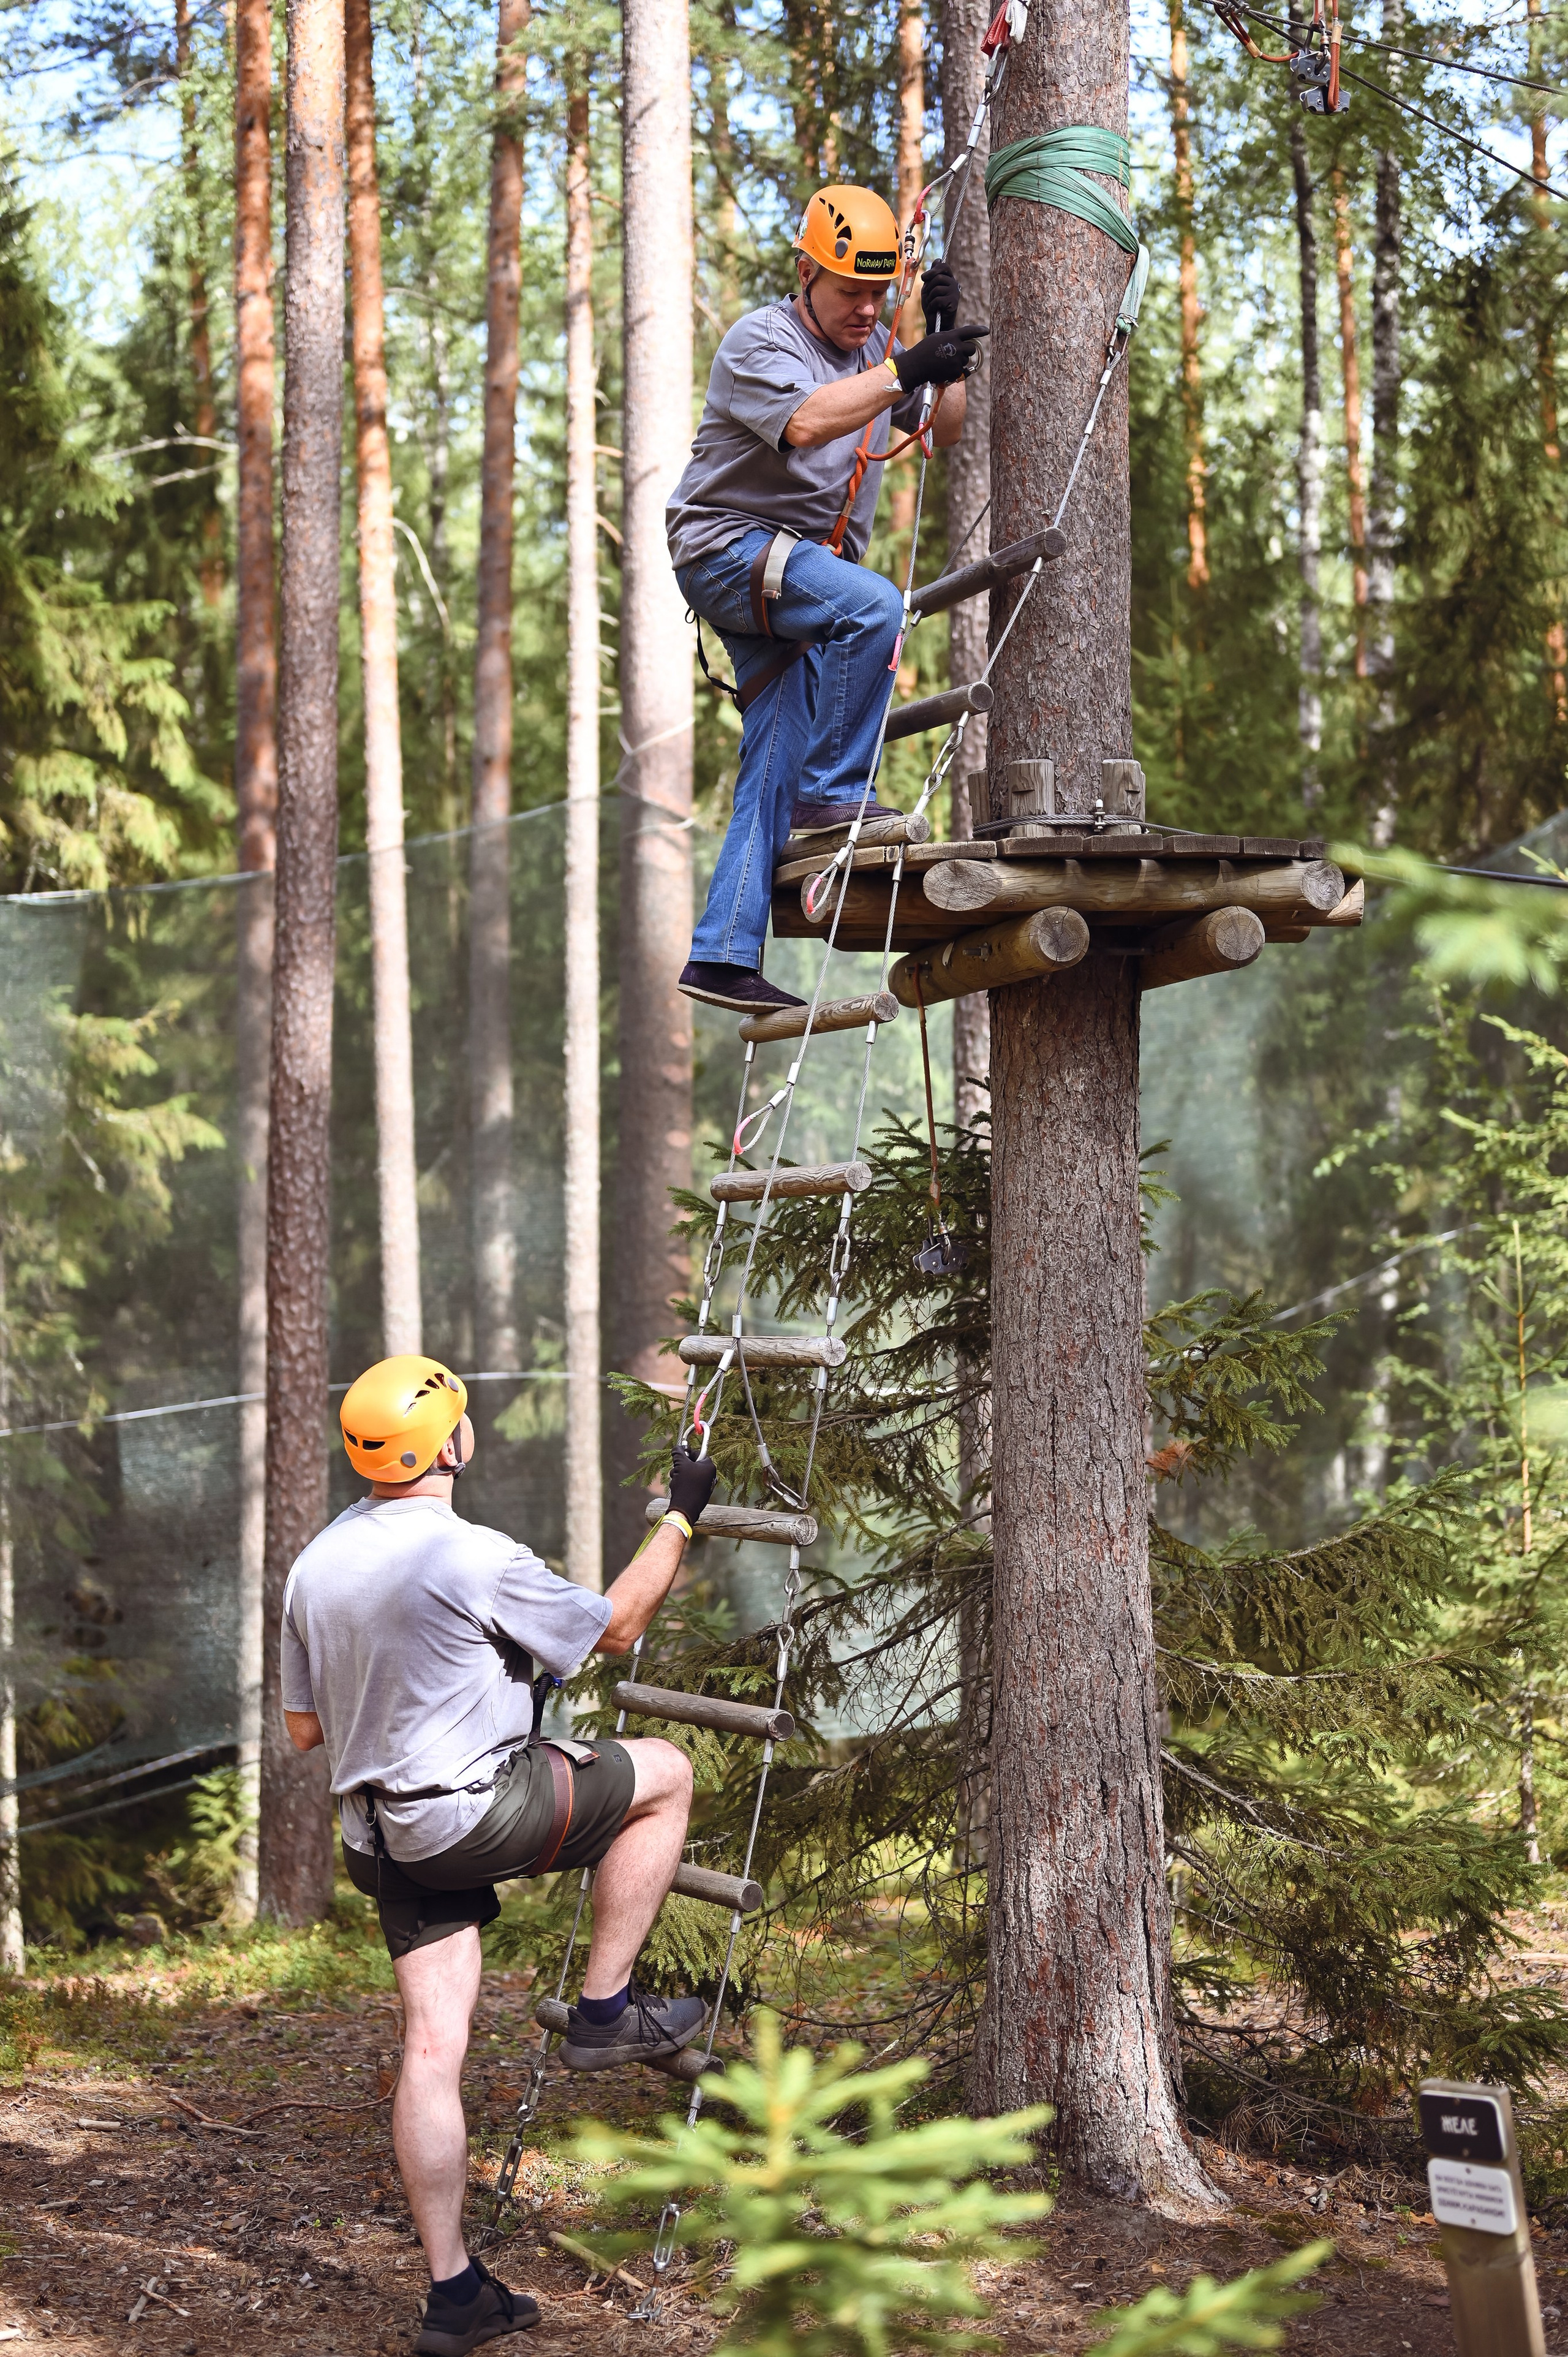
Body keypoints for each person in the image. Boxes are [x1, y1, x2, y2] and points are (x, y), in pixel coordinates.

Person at [279, 1353, 718, 2357]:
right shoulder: (470, 1554)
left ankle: (455, 2296)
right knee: (666, 1774)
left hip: (380, 1838)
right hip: (468, 1818)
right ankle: (607, 2009)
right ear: (446, 1448)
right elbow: (617, 1629)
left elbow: (307, 1732)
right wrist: (681, 1515)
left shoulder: (315, 1564)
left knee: (432, 2050)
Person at [668, 183, 987, 1015]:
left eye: (880, 293)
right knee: (876, 607)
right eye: (851, 289)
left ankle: (722, 955)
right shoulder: (760, 343)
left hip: (797, 578)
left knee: (773, 757)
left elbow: (943, 428)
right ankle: (834, 798)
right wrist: (902, 366)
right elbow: (809, 423)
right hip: (726, 552)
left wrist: (939, 343)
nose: (866, 307)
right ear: (807, 270)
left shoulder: (880, 346)